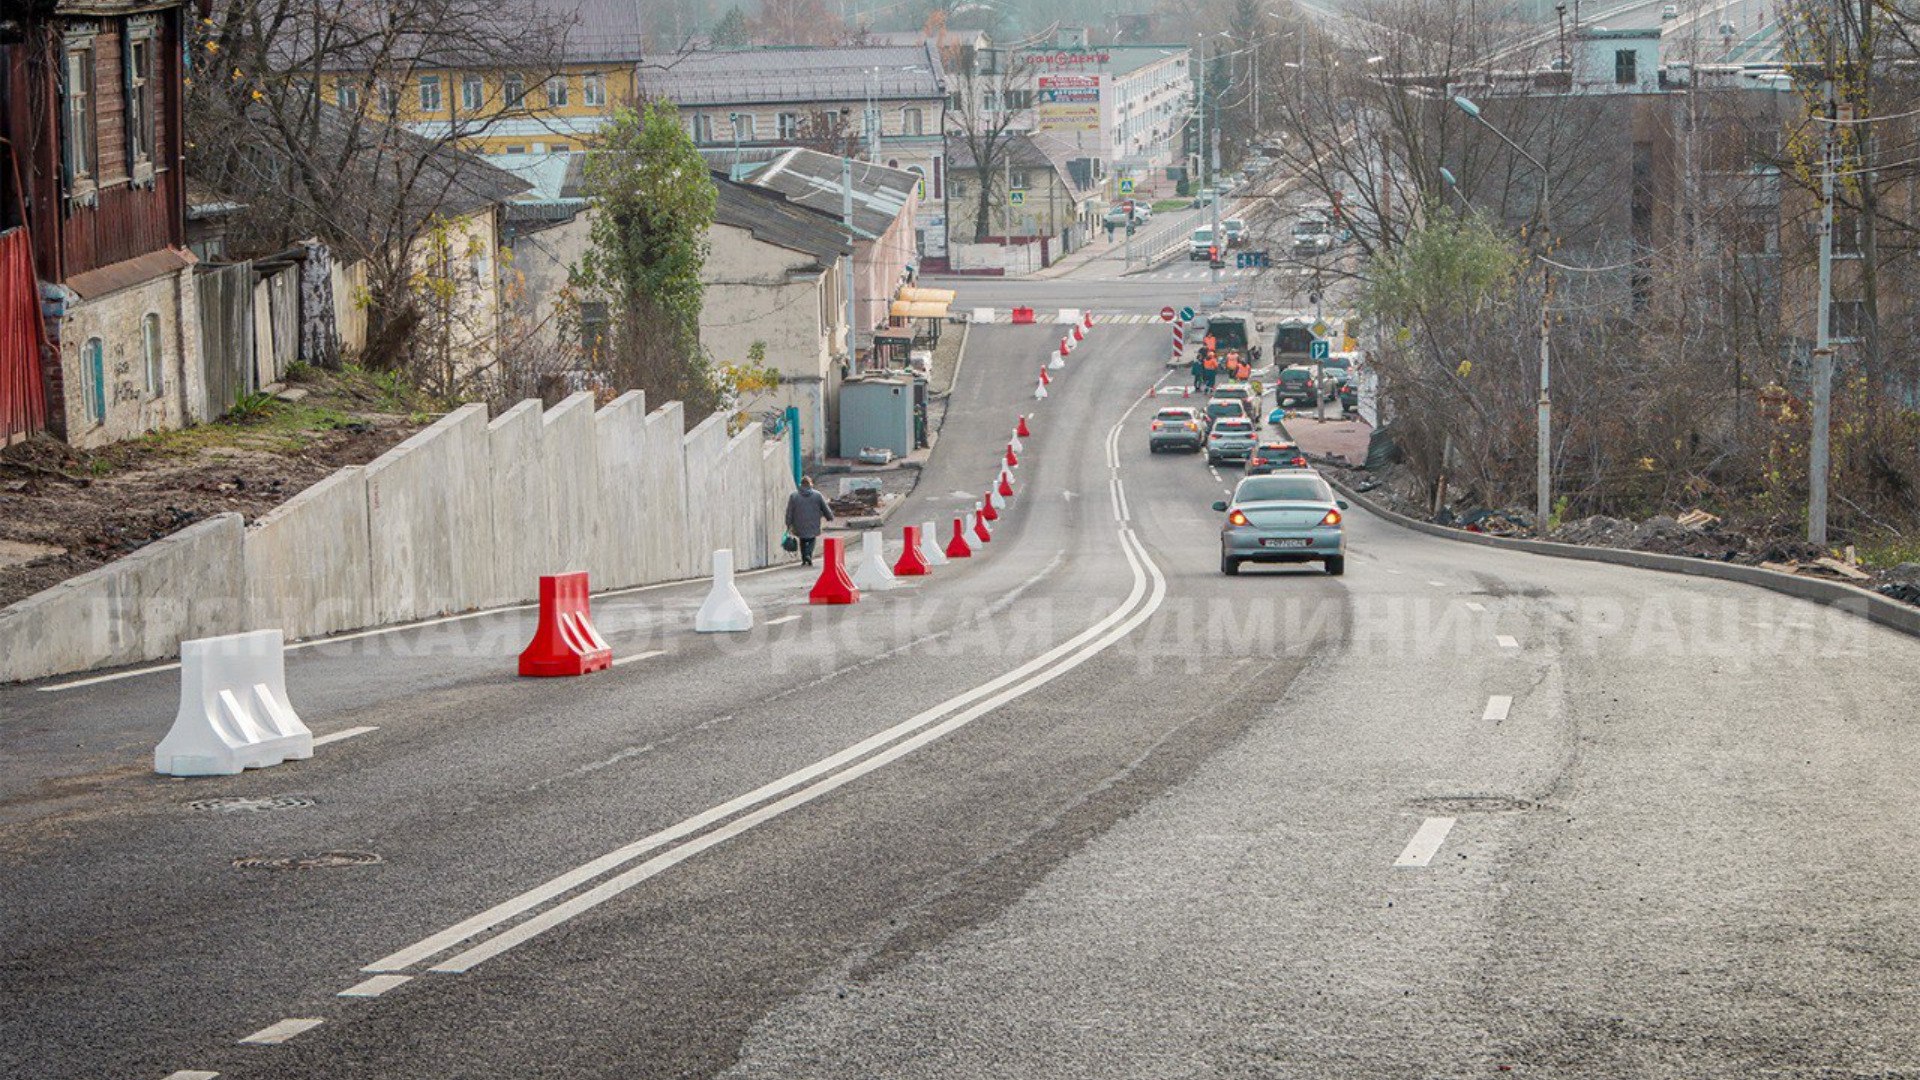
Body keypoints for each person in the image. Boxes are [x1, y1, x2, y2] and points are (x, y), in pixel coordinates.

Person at [785, 477, 834, 566]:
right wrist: (829, 517)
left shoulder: (794, 496)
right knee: (812, 539)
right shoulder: (817, 495)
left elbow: (790, 511)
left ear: (801, 484)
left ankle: (804, 558)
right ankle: (808, 554)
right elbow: (825, 508)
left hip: (798, 523)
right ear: (810, 484)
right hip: (813, 522)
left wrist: (788, 522)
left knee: (802, 539)